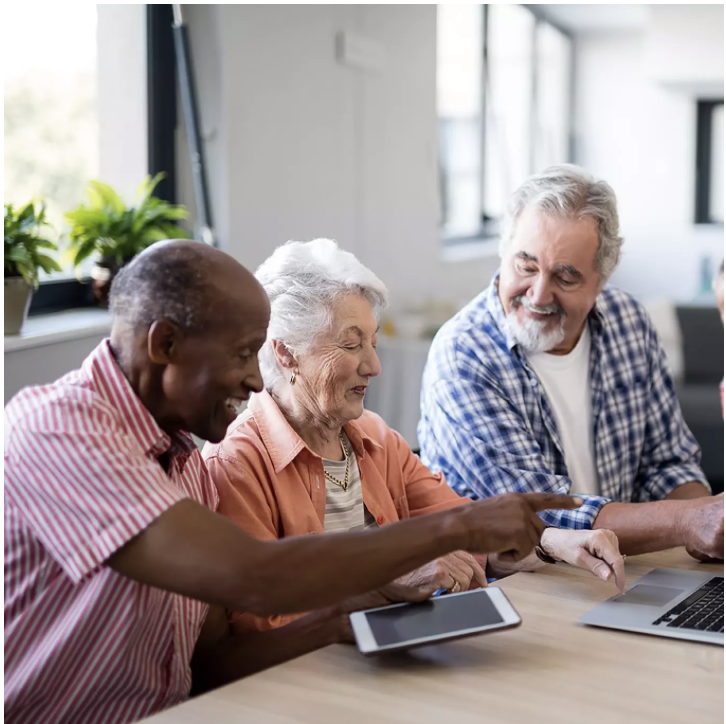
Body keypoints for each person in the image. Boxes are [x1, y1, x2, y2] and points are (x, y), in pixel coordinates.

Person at [4, 240, 582, 724]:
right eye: (241, 355)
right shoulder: (60, 429)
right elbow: (254, 578)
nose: (258, 380)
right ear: (165, 345)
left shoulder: (184, 465)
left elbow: (210, 666)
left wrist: (345, 619)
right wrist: (457, 526)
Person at [203, 238, 625, 638]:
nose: (373, 365)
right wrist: (384, 578)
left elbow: (468, 529)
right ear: (285, 353)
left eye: (373, 341)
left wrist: (555, 542)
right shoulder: (237, 462)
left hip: (394, 657)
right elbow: (257, 623)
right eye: (351, 345)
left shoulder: (376, 438)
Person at [418, 164, 724, 561]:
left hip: (623, 572)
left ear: (601, 280)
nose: (539, 294)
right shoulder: (464, 355)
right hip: (519, 585)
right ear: (504, 251)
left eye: (565, 277)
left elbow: (668, 464)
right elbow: (539, 512)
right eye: (525, 266)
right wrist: (689, 521)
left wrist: (710, 526)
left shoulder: (627, 320)